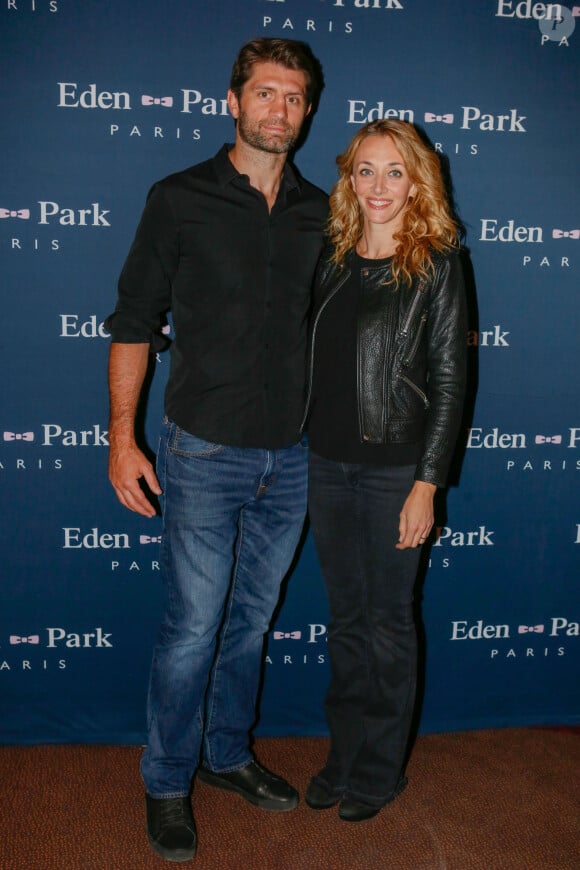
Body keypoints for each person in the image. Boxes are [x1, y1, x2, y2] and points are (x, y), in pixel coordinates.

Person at [105, 38, 327, 862]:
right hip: (201, 451)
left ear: (308, 112)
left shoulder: (323, 211)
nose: (279, 109)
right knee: (194, 627)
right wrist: (122, 438)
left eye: (294, 97)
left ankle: (227, 756)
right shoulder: (179, 198)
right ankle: (166, 782)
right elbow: (134, 320)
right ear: (232, 101)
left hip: (296, 456)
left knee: (250, 624)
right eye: (264, 92)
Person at [303, 119, 467, 822]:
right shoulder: (332, 255)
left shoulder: (437, 263)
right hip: (325, 465)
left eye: (394, 171)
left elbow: (453, 381)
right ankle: (343, 755)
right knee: (345, 622)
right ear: (349, 178)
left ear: (418, 181)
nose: (377, 186)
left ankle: (379, 768)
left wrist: (426, 484)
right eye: (365, 170)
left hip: (395, 471)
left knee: (388, 625)